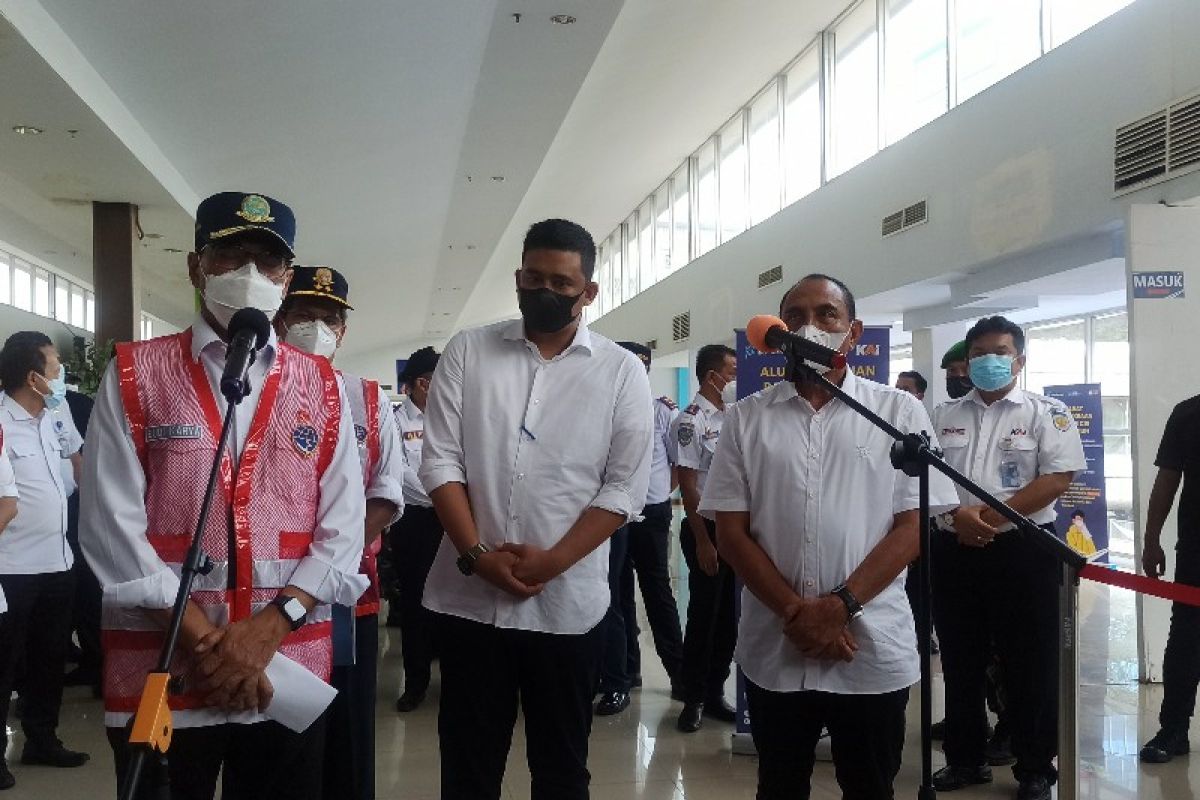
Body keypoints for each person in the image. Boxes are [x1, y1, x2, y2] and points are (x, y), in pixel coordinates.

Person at [81, 192, 367, 800]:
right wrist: (210, 645)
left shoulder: (323, 385)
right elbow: (109, 527)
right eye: (231, 255)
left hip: (283, 670)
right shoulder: (135, 372)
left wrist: (266, 631)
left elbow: (343, 528)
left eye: (267, 264)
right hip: (165, 669)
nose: (249, 274)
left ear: (286, 279)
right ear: (195, 266)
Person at [699, 275, 958, 799]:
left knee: (869, 785)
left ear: (852, 332)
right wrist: (799, 614)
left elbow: (911, 529)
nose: (809, 327)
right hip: (777, 642)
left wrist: (839, 607)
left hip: (869, 645)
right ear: (776, 332)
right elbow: (731, 534)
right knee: (779, 784)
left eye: (826, 315)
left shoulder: (897, 412)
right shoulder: (746, 418)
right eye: (794, 317)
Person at [419, 218, 653, 800]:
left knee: (561, 769)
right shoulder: (469, 351)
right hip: (470, 602)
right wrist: (477, 554)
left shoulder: (621, 372)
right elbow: (441, 464)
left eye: (561, 282)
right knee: (468, 770)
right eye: (532, 277)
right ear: (518, 276)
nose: (544, 291)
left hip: (567, 607)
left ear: (589, 292)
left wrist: (553, 562)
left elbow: (622, 488)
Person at [929, 315, 1085, 800]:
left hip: (1025, 548)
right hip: (954, 546)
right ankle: (965, 759)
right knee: (959, 657)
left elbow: (1057, 478)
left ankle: (1036, 766)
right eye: (977, 354)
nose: (986, 361)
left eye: (998, 352)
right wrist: (958, 519)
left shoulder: (1046, 413)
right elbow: (929, 479)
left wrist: (990, 520)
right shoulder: (942, 414)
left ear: (1019, 359)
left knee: (1030, 659)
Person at [275, 265, 405, 800]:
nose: (317, 326)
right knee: (282, 737)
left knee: (348, 732)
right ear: (281, 318)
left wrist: (332, 560)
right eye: (305, 314)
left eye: (329, 317)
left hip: (351, 597)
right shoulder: (257, 391)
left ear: (343, 330)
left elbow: (386, 493)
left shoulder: (367, 399)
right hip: (269, 600)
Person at [0, 332, 87, 790]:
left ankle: (42, 739)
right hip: (10, 567)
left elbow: (77, 462)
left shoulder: (57, 412)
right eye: (55, 369)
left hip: (58, 559)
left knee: (49, 658)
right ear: (33, 377)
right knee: (4, 662)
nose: (60, 377)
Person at [595, 342, 685, 716]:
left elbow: (680, 462)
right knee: (615, 594)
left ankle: (680, 675)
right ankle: (626, 672)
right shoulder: (604, 406)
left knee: (657, 592)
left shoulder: (662, 410)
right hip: (612, 515)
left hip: (650, 512)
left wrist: (660, 496)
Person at [671, 343, 738, 733]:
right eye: (730, 371)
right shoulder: (690, 421)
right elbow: (688, 484)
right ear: (711, 375)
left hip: (736, 529)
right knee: (703, 618)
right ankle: (692, 697)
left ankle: (715, 692)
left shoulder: (736, 416)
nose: (735, 378)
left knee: (728, 617)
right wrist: (702, 541)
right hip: (707, 529)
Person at [1139, 393, 1200, 763]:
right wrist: (1151, 540)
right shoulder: (1189, 413)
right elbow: (1167, 478)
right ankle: (1173, 729)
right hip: (1197, 550)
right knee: (1186, 640)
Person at [389, 345, 445, 712]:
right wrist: (443, 491)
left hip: (450, 520)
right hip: (415, 521)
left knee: (453, 600)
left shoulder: (450, 420)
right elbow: (399, 474)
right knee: (415, 602)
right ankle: (416, 682)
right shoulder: (396, 421)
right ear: (424, 383)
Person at [62, 380, 101, 694]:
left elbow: (83, 461)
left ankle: (95, 662)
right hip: (65, 516)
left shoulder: (73, 405)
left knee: (84, 591)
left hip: (79, 512)